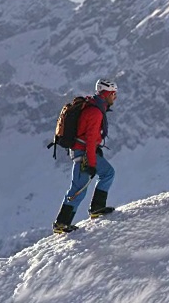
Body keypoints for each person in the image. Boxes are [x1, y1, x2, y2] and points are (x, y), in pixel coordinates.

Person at [53, 79, 118, 234]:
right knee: (78, 189)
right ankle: (61, 223)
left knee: (107, 173)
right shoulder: (95, 112)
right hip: (83, 154)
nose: (115, 97)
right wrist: (92, 162)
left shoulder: (95, 107)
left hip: (84, 151)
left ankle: (97, 208)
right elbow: (89, 139)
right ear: (107, 93)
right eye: (114, 94)